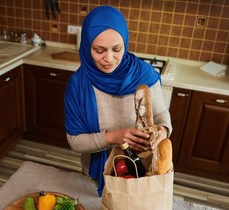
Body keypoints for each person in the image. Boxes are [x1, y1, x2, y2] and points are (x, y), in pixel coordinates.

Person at [64, 6, 172, 196]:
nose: (109, 58)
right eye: (99, 50)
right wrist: (113, 137)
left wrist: (163, 130)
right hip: (97, 171)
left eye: (117, 49)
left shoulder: (144, 74)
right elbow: (74, 140)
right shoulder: (77, 85)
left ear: (125, 44)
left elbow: (161, 114)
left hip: (142, 169)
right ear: (87, 46)